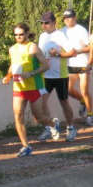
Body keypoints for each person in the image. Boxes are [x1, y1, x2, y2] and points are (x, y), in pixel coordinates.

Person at [2, 23, 59, 156]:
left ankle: (52, 123)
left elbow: (45, 66)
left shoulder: (33, 48)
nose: (18, 37)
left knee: (38, 117)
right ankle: (25, 146)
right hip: (19, 87)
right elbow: (13, 65)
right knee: (18, 116)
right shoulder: (12, 49)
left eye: (21, 34)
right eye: (16, 35)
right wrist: (8, 76)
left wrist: (31, 73)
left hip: (34, 86)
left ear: (27, 34)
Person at [38, 11, 77, 141]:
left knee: (64, 102)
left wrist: (58, 55)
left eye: (46, 23)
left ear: (54, 23)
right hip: (45, 76)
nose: (44, 25)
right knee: (41, 103)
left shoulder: (60, 35)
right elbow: (40, 55)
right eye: (42, 23)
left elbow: (72, 52)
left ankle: (71, 128)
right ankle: (51, 127)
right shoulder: (42, 36)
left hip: (60, 75)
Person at [62, 9, 93, 126]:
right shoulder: (62, 32)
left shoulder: (81, 30)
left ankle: (90, 115)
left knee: (84, 90)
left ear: (75, 18)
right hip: (70, 64)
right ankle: (82, 101)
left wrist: (78, 51)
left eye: (69, 17)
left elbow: (90, 47)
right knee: (68, 89)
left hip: (83, 64)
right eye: (65, 18)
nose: (67, 20)